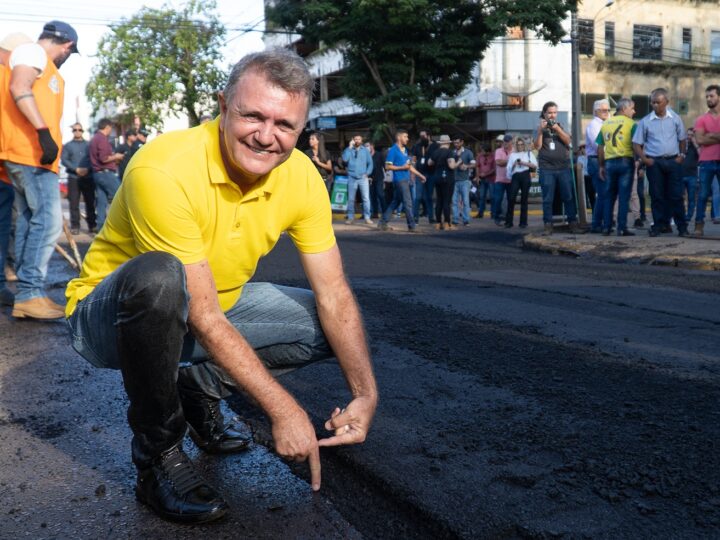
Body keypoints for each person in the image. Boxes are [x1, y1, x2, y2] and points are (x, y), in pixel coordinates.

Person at [64, 49, 378, 524]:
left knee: (331, 321)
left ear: (301, 128)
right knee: (160, 278)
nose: (266, 136)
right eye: (253, 115)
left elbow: (335, 294)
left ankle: (197, 383)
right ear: (224, 105)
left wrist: (365, 392)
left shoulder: (302, 178)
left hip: (210, 309)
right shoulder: (164, 167)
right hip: (109, 318)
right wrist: (283, 410)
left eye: (284, 125)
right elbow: (202, 314)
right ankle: (158, 460)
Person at [0, 20, 79, 320]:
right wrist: (43, 132)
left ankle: (26, 294)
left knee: (31, 223)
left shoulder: (38, 60)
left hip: (28, 156)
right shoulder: (33, 53)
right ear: (67, 46)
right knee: (47, 223)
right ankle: (30, 293)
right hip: (31, 154)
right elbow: (19, 86)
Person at [632, 88, 688, 237]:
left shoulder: (675, 118)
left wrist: (682, 155)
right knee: (657, 195)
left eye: (658, 102)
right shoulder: (645, 121)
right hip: (655, 163)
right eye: (653, 102)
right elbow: (636, 144)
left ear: (666, 102)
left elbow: (683, 139)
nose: (655, 105)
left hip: (673, 161)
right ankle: (658, 225)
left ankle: (682, 227)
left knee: (676, 195)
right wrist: (644, 159)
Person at [534, 101, 581, 236]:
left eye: (554, 112)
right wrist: (540, 132)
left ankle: (573, 223)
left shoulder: (562, 125)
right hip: (547, 169)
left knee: (568, 196)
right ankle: (548, 226)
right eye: (549, 113)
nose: (552, 115)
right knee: (548, 198)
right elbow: (537, 147)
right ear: (544, 113)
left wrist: (558, 129)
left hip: (563, 167)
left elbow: (568, 142)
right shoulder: (538, 127)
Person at [597, 98, 637, 236]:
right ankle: (621, 227)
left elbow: (600, 147)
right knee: (624, 197)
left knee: (609, 196)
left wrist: (601, 165)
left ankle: (606, 227)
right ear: (624, 109)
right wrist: (639, 161)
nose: (634, 111)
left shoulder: (606, 124)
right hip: (626, 161)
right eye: (632, 108)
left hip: (609, 163)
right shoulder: (631, 124)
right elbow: (635, 144)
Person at [378, 129, 426, 232]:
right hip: (400, 180)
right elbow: (388, 166)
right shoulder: (393, 150)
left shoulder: (405, 150)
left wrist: (420, 175)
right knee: (408, 203)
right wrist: (401, 168)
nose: (407, 139)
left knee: (395, 202)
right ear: (399, 137)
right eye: (405, 137)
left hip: (405, 179)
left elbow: (408, 167)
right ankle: (411, 226)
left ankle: (382, 222)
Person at [692, 84, 720, 236]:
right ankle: (699, 225)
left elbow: (705, 137)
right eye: (707, 96)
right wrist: (717, 136)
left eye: (712, 96)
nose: (708, 99)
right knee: (702, 195)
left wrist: (711, 135)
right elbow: (700, 140)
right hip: (706, 161)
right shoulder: (701, 119)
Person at [61, 123, 96, 235]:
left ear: (82, 131)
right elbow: (64, 160)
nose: (77, 131)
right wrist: (75, 169)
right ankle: (75, 226)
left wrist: (87, 169)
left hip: (88, 176)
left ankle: (92, 225)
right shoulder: (68, 146)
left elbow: (94, 158)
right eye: (75, 130)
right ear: (73, 131)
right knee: (74, 202)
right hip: (73, 177)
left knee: (90, 202)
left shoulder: (89, 145)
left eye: (79, 129)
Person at [89, 118, 124, 230]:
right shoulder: (102, 139)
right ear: (107, 127)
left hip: (98, 173)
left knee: (101, 202)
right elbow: (104, 158)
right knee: (120, 197)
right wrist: (116, 156)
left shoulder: (94, 138)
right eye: (111, 128)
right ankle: (121, 226)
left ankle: (100, 227)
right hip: (105, 173)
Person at [586, 99, 611, 233]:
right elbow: (598, 146)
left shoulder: (607, 124)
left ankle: (603, 222)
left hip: (605, 160)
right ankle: (597, 224)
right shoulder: (594, 125)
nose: (606, 112)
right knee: (602, 194)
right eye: (603, 110)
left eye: (608, 110)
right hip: (597, 161)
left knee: (606, 194)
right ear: (596, 111)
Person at [505, 137, 537, 229]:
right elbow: (508, 170)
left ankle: (523, 223)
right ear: (516, 145)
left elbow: (534, 165)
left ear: (524, 145)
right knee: (511, 198)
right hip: (515, 176)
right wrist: (514, 165)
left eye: (521, 144)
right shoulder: (512, 155)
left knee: (524, 199)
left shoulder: (529, 153)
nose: (520, 146)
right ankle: (509, 222)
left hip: (525, 175)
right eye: (518, 144)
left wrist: (523, 163)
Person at [341, 134, 373, 224]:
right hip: (352, 177)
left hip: (363, 177)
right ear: (353, 140)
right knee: (351, 199)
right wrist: (349, 147)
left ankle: (367, 217)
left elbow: (370, 163)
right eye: (355, 139)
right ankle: (350, 217)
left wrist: (368, 173)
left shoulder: (365, 151)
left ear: (361, 140)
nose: (357, 141)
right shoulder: (349, 150)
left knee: (366, 198)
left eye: (359, 139)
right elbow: (345, 159)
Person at [428, 135, 456, 229]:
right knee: (446, 201)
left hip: (437, 177)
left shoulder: (435, 152)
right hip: (447, 178)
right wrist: (459, 162)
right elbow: (451, 165)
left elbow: (429, 163)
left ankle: (438, 223)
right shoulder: (449, 152)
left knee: (439, 200)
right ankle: (447, 223)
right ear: (448, 143)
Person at [410, 130, 438, 223]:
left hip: (431, 174)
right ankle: (415, 218)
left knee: (429, 197)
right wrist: (413, 173)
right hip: (419, 174)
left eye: (423, 136)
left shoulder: (435, 146)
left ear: (429, 136)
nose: (422, 137)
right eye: (420, 136)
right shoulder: (417, 146)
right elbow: (413, 160)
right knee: (417, 197)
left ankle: (431, 218)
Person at [450, 135, 476, 227]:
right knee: (454, 201)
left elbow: (474, 164)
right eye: (454, 143)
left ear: (462, 142)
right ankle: (455, 220)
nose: (456, 144)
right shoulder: (452, 152)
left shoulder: (468, 152)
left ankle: (466, 220)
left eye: (457, 142)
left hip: (465, 181)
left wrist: (466, 166)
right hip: (454, 181)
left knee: (465, 201)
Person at [493, 134, 513, 226]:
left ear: (511, 142)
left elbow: (515, 164)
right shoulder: (498, 151)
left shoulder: (514, 151)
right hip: (500, 180)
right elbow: (498, 162)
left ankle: (508, 219)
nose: (505, 143)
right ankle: (497, 217)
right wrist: (511, 161)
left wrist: (505, 162)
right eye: (504, 141)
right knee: (498, 199)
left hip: (511, 180)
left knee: (510, 200)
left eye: (507, 141)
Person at [681, 127, 700, 224]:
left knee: (691, 198)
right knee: (680, 197)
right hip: (681, 175)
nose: (689, 137)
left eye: (691, 135)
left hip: (692, 176)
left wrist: (695, 143)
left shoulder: (697, 146)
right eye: (688, 135)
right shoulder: (683, 145)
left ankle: (688, 216)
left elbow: (701, 155)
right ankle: (681, 215)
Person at [366, 141, 388, 218]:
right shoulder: (366, 156)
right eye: (366, 146)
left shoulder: (379, 154)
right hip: (370, 179)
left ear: (372, 146)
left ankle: (385, 212)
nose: (367, 148)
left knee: (380, 194)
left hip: (379, 178)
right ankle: (375, 213)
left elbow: (385, 166)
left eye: (368, 146)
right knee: (373, 196)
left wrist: (386, 178)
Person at [474, 144, 495, 219]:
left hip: (492, 179)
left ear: (488, 152)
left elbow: (494, 169)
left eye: (483, 151)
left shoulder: (493, 156)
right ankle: (480, 213)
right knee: (482, 196)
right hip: (482, 179)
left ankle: (493, 213)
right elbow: (477, 166)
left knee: (492, 197)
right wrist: (477, 176)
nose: (482, 152)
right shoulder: (480, 156)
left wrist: (485, 174)